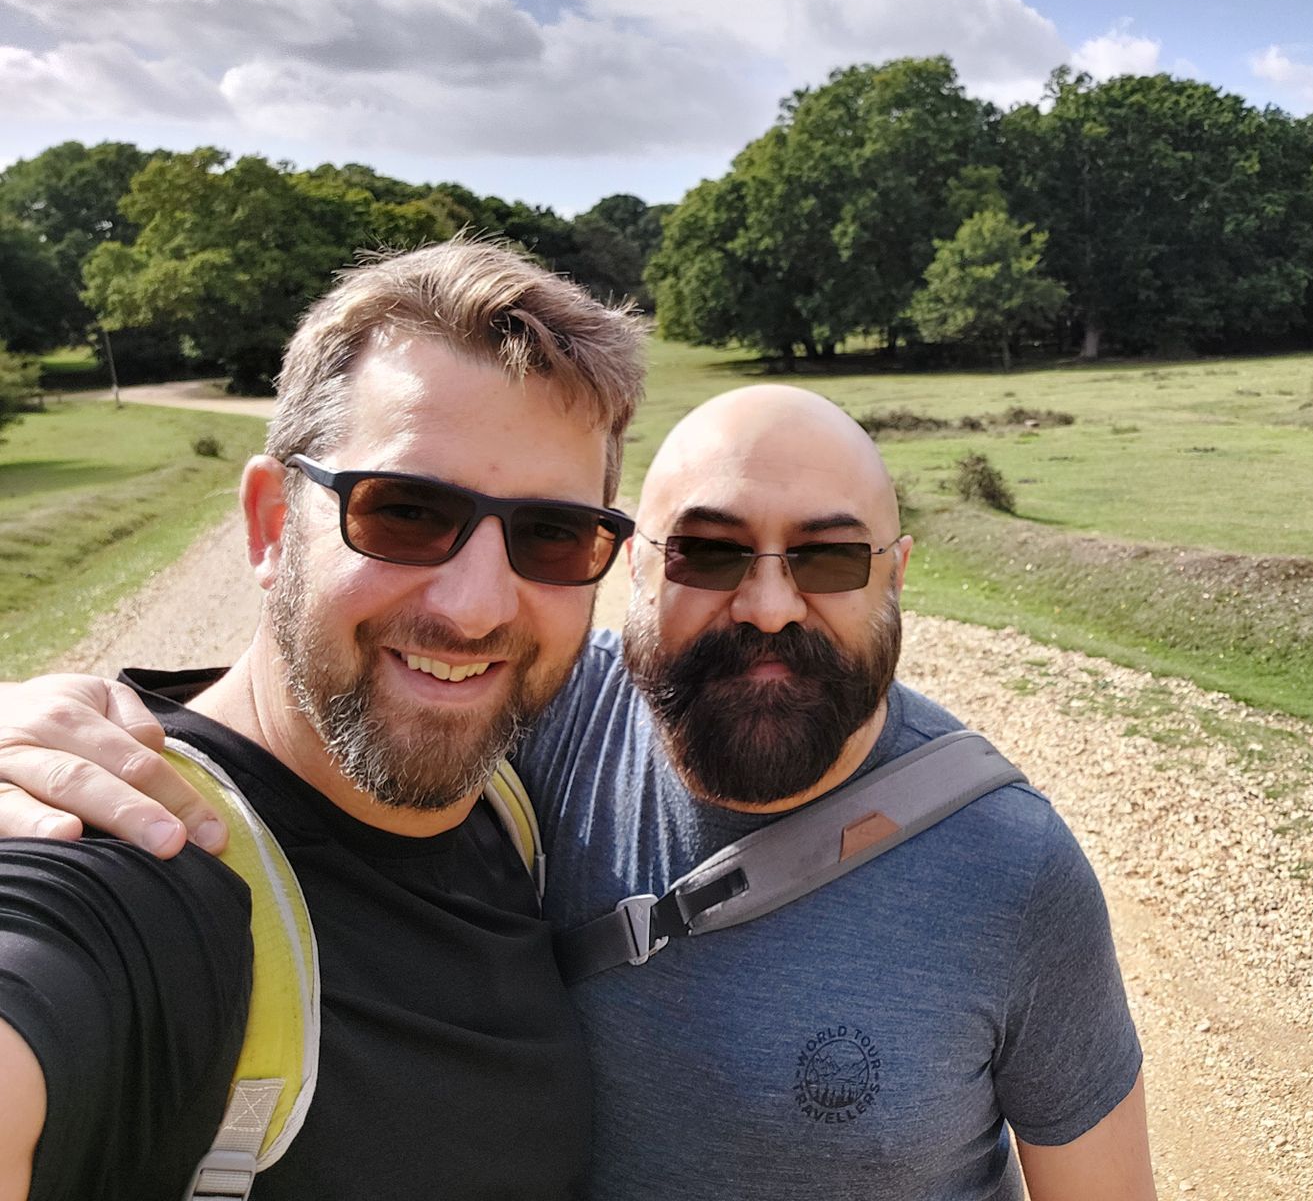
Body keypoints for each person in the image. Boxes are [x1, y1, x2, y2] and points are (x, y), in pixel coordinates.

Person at [0, 390, 1154, 1196]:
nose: (768, 605)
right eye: (707, 552)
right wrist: (46, 722)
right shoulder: (534, 725)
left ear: (895, 578)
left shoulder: (1014, 874)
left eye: (828, 557)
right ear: (635, 568)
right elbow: (302, 716)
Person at [0, 240, 646, 1199]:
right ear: (271, 524)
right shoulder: (136, 867)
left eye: (551, 534)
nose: (476, 608)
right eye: (406, 512)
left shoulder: (513, 806)